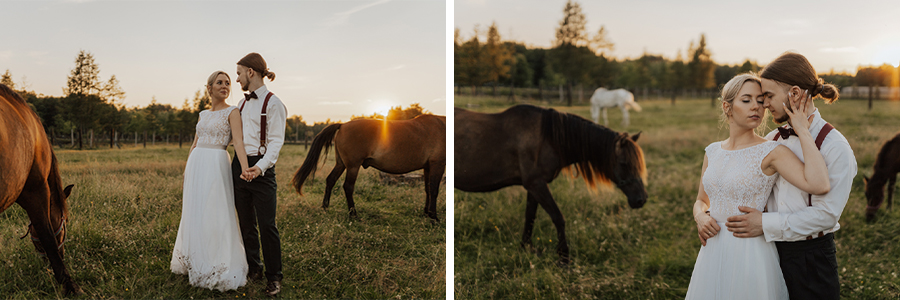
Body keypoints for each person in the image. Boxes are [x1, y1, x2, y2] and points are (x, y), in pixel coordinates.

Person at [685, 73, 831, 299]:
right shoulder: (712, 151)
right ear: (727, 107)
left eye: (761, 101)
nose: (756, 107)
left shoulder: (771, 151)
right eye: (746, 100)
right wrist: (700, 217)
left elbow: (819, 184)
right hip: (712, 251)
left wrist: (802, 130)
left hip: (750, 252)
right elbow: (701, 201)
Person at [726, 52, 857, 300]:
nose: (764, 105)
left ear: (794, 94)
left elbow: (825, 216)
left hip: (811, 261)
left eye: (769, 96)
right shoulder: (772, 140)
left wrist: (763, 224)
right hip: (766, 253)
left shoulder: (835, 146)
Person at [171, 70, 250, 291]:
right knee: (195, 210)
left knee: (215, 210)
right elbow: (195, 143)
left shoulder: (233, 112)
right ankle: (195, 258)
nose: (224, 86)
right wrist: (187, 168)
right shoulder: (203, 114)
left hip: (217, 163)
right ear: (210, 88)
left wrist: (245, 168)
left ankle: (218, 262)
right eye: (219, 83)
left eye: (227, 83)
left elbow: (239, 143)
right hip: (197, 164)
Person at [232, 52, 287, 297]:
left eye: (239, 73)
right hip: (239, 165)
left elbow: (276, 143)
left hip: (262, 169)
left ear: (250, 72)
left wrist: (260, 167)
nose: (237, 79)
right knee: (245, 222)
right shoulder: (241, 104)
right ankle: (254, 267)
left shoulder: (275, 104)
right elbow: (237, 138)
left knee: (267, 225)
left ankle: (274, 277)